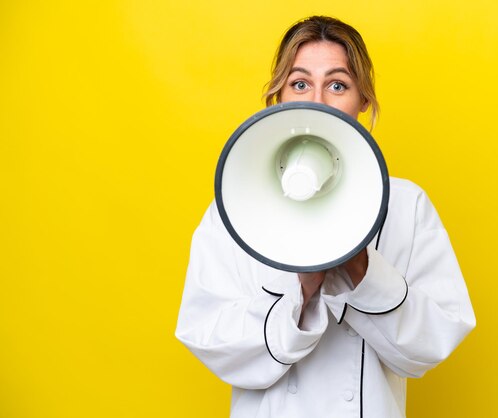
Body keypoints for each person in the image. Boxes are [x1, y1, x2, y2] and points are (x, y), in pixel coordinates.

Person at [175, 15, 476, 418]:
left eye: (338, 85)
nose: (317, 101)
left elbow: (432, 344)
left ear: (363, 101)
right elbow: (208, 337)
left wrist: (361, 267)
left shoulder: (407, 205)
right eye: (300, 83)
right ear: (278, 96)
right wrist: (302, 295)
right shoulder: (234, 208)